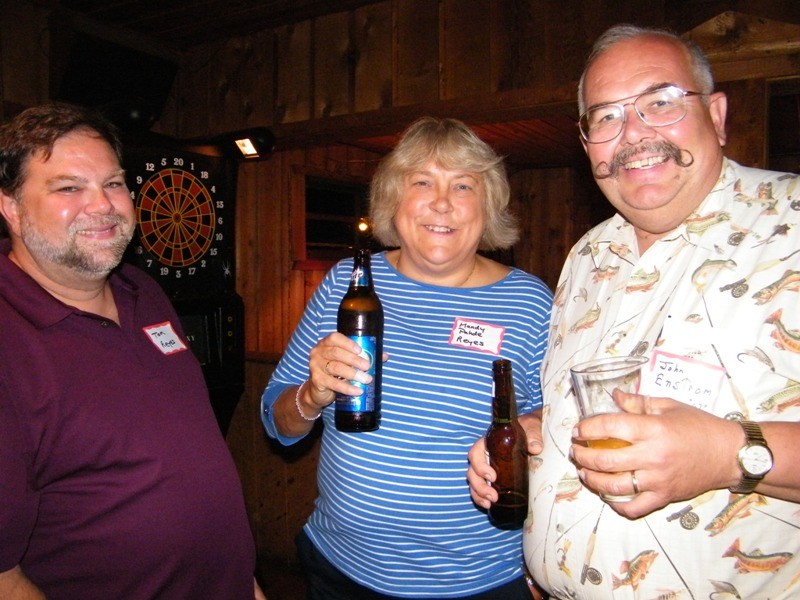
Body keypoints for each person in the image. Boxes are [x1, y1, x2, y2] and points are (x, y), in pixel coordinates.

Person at [468, 23, 800, 599]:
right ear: (586, 143)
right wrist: (539, 428)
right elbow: (584, 404)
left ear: (717, 115)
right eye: (606, 117)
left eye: (661, 102)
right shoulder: (586, 255)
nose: (634, 133)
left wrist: (727, 455)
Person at [261, 117, 552, 599]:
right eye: (422, 182)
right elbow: (277, 422)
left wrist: (544, 566)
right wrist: (311, 396)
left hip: (476, 580)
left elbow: (558, 428)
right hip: (342, 569)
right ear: (393, 199)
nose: (442, 202)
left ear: (488, 207)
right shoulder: (347, 285)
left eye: (463, 185)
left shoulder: (529, 303)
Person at [0, 103, 265, 600]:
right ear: (11, 208)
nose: (102, 205)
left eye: (114, 183)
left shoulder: (142, 291)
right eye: (69, 187)